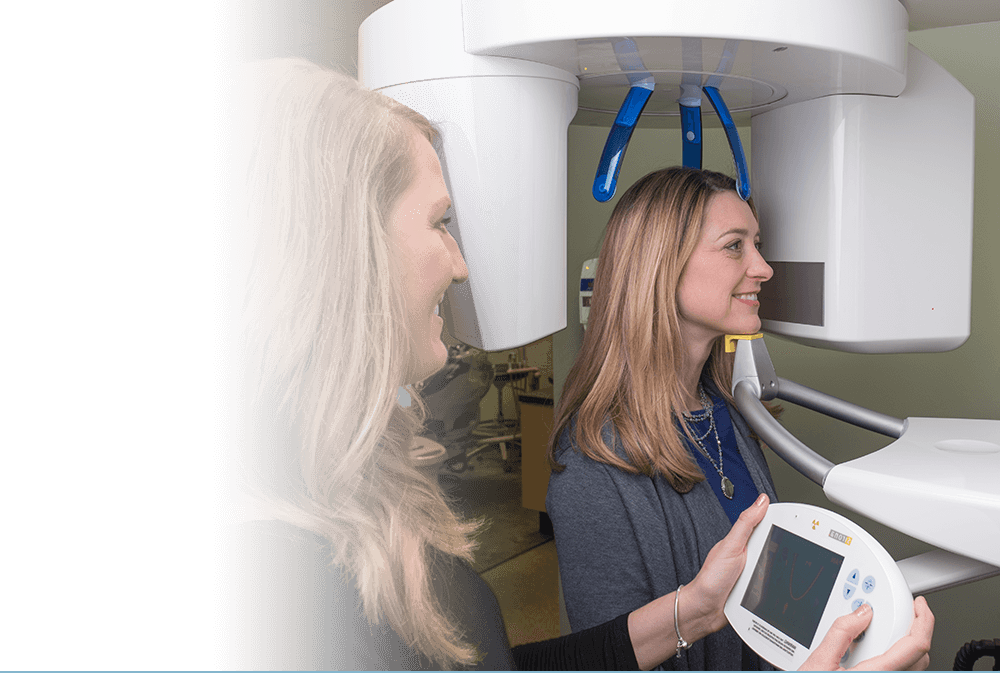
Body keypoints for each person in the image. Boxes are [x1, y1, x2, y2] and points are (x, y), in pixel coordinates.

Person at [226, 57, 933, 670]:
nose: (464, 264)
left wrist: (695, 608)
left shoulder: (728, 415)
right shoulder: (283, 586)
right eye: (441, 222)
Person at [545, 166, 936, 670]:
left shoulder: (726, 413)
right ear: (661, 266)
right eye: (735, 246)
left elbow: (766, 618)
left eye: (758, 243)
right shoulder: (591, 467)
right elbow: (609, 659)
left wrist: (860, 646)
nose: (763, 267)